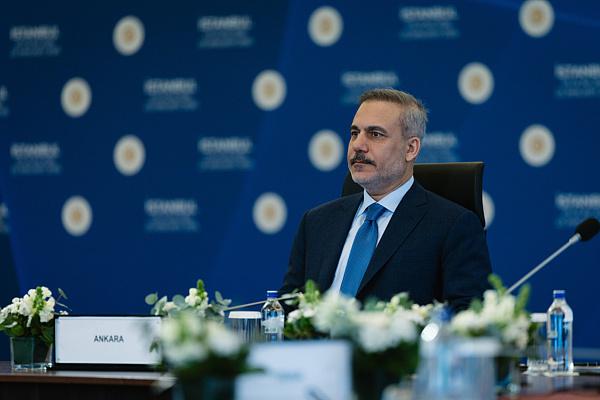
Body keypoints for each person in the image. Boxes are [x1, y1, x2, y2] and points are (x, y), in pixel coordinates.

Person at [280, 88, 491, 311]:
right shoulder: (316, 222)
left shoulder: (453, 226)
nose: (358, 145)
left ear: (411, 148)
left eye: (375, 134)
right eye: (354, 133)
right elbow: (288, 307)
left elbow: (467, 315)